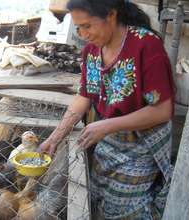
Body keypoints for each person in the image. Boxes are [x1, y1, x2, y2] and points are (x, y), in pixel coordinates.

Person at [39, 0, 175, 219]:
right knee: (97, 195)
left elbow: (162, 111)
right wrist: (55, 137)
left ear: (111, 15)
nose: (83, 34)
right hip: (109, 138)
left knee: (125, 210)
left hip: (142, 142)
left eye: (88, 26)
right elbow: (84, 95)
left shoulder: (145, 45)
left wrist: (107, 125)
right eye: (78, 28)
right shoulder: (92, 51)